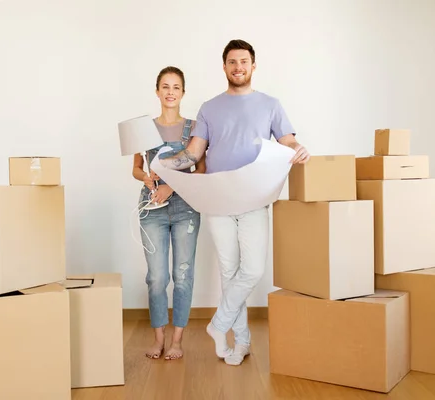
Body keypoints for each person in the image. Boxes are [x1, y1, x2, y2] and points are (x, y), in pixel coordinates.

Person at [159, 40, 310, 366]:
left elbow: (288, 141)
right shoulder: (210, 108)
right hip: (218, 199)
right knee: (229, 272)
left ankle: (218, 324)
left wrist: (299, 148)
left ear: (253, 66)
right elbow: (194, 153)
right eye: (232, 62)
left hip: (255, 197)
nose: (238, 67)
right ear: (224, 67)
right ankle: (239, 342)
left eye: (244, 61)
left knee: (252, 269)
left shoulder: (270, 104)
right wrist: (161, 167)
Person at [132, 66, 206, 360]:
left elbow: (201, 169)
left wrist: (171, 187)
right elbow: (136, 168)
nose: (170, 92)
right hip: (151, 207)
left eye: (176, 87)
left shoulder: (194, 128)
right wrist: (146, 178)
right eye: (165, 86)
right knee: (157, 277)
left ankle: (177, 340)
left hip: (185, 206)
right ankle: (159, 338)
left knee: (183, 275)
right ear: (157, 91)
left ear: (183, 92)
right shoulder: (144, 129)